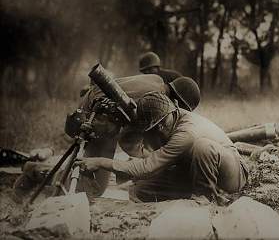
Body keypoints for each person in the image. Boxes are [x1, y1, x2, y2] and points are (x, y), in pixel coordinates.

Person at [14, 74, 201, 198]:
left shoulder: (155, 79)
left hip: (95, 111)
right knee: (92, 189)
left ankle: (38, 171)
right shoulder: (151, 101)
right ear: (176, 101)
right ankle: (35, 172)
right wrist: (146, 160)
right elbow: (127, 140)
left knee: (89, 176)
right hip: (98, 122)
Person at [74, 92, 248, 204]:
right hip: (195, 171)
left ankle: (205, 199)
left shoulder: (186, 132)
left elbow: (147, 167)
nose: (162, 129)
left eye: (163, 123)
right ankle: (199, 195)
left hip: (232, 174)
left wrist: (100, 162)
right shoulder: (167, 121)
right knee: (140, 191)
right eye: (156, 127)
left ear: (172, 111)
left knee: (202, 146)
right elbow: (146, 159)